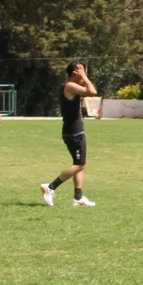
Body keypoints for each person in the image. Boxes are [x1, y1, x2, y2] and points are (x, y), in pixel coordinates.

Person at [40, 62, 98, 207]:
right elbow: (92, 92)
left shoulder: (69, 86)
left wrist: (83, 76)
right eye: (83, 71)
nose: (85, 74)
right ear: (74, 73)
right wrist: (84, 77)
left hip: (73, 131)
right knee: (80, 164)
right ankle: (51, 187)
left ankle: (78, 198)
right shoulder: (69, 86)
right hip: (74, 132)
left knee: (79, 164)